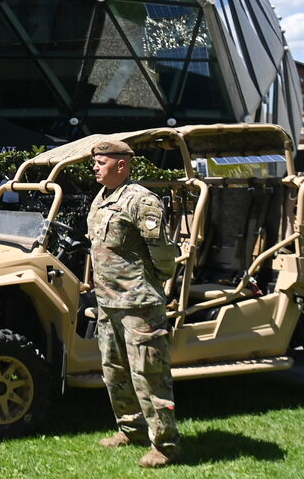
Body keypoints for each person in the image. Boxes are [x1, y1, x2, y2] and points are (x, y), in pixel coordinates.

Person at [86, 139, 180, 469]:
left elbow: (163, 251)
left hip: (139, 302)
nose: (95, 167)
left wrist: (157, 282)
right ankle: (130, 428)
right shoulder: (101, 198)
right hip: (108, 301)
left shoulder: (141, 200)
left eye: (101, 162)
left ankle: (165, 444)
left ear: (121, 165)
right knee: (114, 371)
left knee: (149, 374)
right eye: (95, 162)